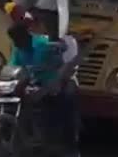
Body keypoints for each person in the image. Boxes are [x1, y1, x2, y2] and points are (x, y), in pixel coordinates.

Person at [7, 23, 79, 156]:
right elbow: (15, 68)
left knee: (64, 101)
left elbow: (61, 54)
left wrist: (57, 50)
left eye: (18, 39)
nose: (17, 43)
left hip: (54, 81)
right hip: (33, 82)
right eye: (15, 40)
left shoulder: (42, 44)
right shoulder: (18, 49)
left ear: (26, 36)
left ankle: (69, 140)